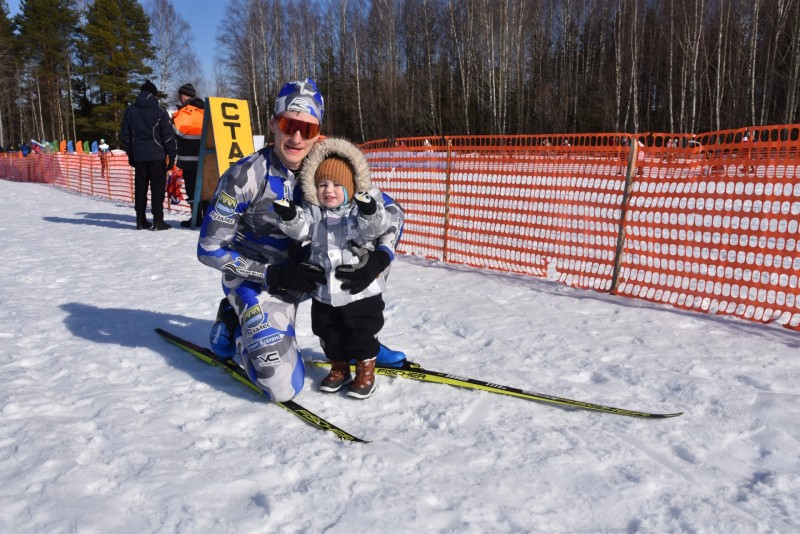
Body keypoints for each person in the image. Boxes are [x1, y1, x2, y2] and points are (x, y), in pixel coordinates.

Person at [196, 79, 405, 402]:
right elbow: (209, 249)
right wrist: (269, 274)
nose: (296, 137)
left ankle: (360, 337)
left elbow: (392, 213)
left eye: (306, 129)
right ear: (273, 125)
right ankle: (237, 323)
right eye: (288, 125)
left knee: (365, 242)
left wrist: (380, 258)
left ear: (317, 133)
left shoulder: (328, 168)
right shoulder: (246, 175)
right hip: (262, 282)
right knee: (282, 388)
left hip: (317, 280)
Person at [273, 137, 395, 399]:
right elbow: (301, 230)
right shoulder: (314, 213)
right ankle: (339, 366)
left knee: (360, 332)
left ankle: (365, 370)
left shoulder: (356, 212)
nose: (328, 190)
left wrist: (369, 210)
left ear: (351, 188)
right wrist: (289, 216)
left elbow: (377, 228)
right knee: (328, 331)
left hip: (359, 291)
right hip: (324, 291)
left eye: (337, 185)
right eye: (322, 184)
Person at [120, 80, 177, 230]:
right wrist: (171, 156)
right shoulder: (159, 111)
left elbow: (125, 136)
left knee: (140, 188)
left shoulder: (130, 111)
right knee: (157, 189)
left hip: (139, 156)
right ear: (154, 94)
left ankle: (140, 220)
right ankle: (158, 220)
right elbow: (168, 136)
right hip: (157, 156)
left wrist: (130, 154)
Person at [171, 83, 206, 228]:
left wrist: (174, 118)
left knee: (192, 190)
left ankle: (196, 218)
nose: (180, 98)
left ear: (187, 96)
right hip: (206, 159)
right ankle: (206, 219)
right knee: (205, 189)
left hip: (189, 160)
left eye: (181, 95)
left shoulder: (186, 112)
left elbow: (176, 130)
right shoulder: (206, 111)